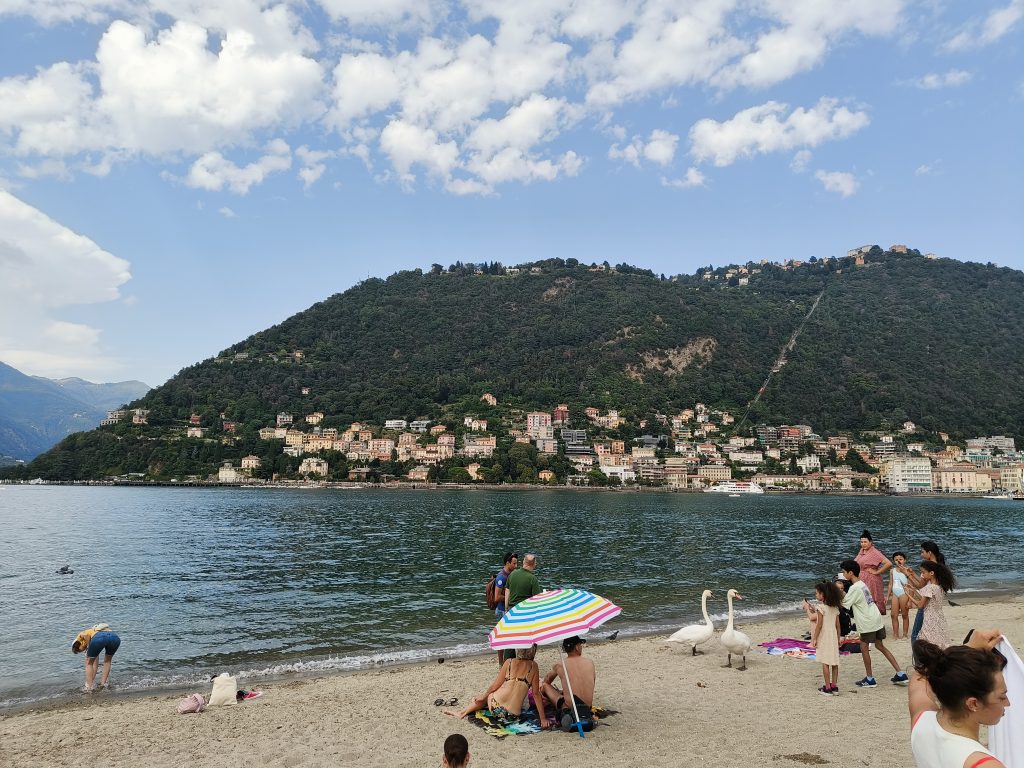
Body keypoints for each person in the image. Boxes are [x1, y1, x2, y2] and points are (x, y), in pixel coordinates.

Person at [909, 630, 1009, 768]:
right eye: (1002, 697)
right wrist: (967, 651)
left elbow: (920, 675)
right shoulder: (984, 764)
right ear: (973, 704)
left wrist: (967, 649)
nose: (1008, 703)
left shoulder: (921, 720)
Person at [446, 644, 551, 729]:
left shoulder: (509, 662)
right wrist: (543, 719)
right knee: (494, 693)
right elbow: (536, 694)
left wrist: (484, 696)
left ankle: (462, 712)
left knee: (490, 693)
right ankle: (467, 709)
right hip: (512, 717)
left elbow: (495, 686)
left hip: (496, 709)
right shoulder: (534, 666)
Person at [840, 559, 909, 687]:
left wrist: (833, 593)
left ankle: (870, 678)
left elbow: (844, 605)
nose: (843, 574)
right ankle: (900, 674)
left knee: (864, 647)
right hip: (875, 618)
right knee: (880, 646)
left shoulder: (854, 588)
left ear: (850, 573)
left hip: (867, 622)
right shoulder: (861, 584)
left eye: (844, 572)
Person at [898, 541, 949, 644]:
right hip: (934, 606)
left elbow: (920, 586)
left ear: (929, 552)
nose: (921, 554)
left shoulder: (929, 567)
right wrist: (912, 574)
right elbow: (922, 585)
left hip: (926, 604)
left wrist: (907, 575)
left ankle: (917, 653)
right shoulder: (938, 567)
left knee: (916, 634)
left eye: (922, 552)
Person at [541, 636, 597, 725]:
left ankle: (564, 712)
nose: (581, 647)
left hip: (570, 708)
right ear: (577, 647)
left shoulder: (560, 664)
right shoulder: (590, 662)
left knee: (544, 686)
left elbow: (546, 681)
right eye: (580, 645)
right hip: (587, 708)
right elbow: (590, 683)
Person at [909, 561, 956, 650]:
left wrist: (908, 595)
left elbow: (920, 605)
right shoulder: (940, 587)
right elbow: (926, 599)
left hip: (929, 617)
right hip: (939, 616)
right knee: (939, 639)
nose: (922, 575)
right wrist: (914, 590)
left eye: (923, 572)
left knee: (926, 641)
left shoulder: (930, 587)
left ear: (931, 573)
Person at [809, 581, 843, 695]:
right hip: (833, 636)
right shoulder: (835, 608)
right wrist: (838, 638)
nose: (816, 595)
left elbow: (819, 625)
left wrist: (814, 638)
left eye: (817, 593)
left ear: (823, 594)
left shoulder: (821, 608)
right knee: (834, 661)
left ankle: (827, 688)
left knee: (825, 662)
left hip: (824, 636)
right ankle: (834, 686)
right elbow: (838, 626)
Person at [71, 623, 121, 692]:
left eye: (79, 650)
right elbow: (95, 665)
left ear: (77, 645)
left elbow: (85, 635)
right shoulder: (92, 635)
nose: (81, 651)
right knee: (107, 661)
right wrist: (92, 679)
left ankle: (89, 688)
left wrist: (88, 646)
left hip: (99, 637)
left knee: (88, 663)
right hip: (114, 637)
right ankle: (103, 684)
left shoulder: (79, 638)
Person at [855, 530, 891, 615]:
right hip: (861, 578)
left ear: (870, 542)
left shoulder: (875, 552)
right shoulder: (862, 551)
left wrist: (877, 572)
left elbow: (888, 563)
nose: (863, 544)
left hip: (871, 580)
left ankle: (875, 618)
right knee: (862, 600)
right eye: (861, 542)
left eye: (865, 542)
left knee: (872, 599)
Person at [493, 552, 517, 665]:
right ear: (507, 563)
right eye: (514, 563)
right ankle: (501, 663)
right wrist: (510, 598)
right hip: (502, 610)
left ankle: (509, 660)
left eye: (516, 563)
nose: (516, 566)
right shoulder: (501, 577)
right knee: (501, 637)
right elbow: (496, 597)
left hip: (508, 610)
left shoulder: (511, 575)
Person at [889, 551, 912, 639]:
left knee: (904, 615)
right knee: (893, 615)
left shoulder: (907, 571)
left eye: (901, 559)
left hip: (904, 594)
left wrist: (910, 601)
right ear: (894, 561)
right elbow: (890, 584)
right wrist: (888, 596)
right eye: (896, 560)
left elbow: (911, 586)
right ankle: (896, 634)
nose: (898, 561)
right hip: (895, 594)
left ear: (904, 560)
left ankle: (905, 634)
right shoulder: (892, 571)